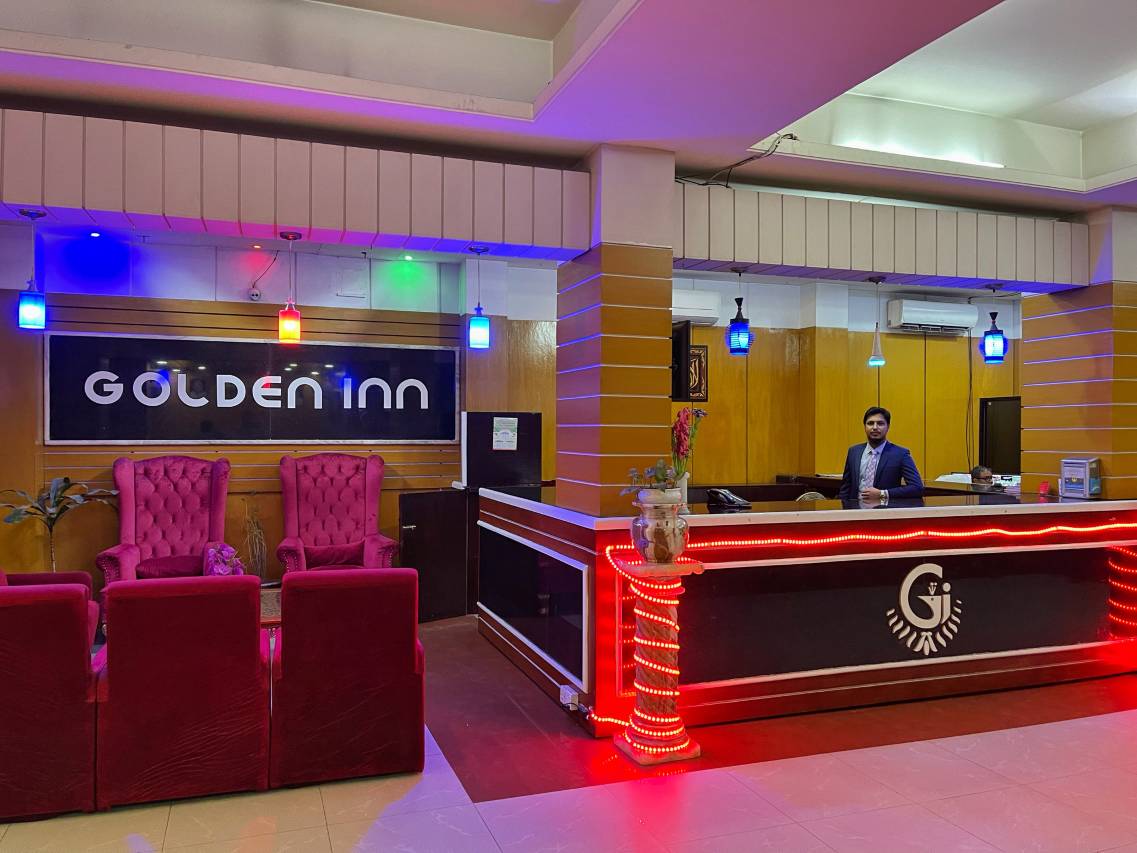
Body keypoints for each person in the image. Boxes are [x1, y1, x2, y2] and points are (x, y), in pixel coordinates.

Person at [837, 407, 924, 502]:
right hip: (855, 509)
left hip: (884, 509)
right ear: (865, 426)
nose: (875, 427)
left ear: (888, 426)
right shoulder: (854, 452)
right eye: (870, 423)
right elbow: (845, 488)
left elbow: (917, 487)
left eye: (880, 423)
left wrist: (883, 494)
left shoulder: (900, 454)